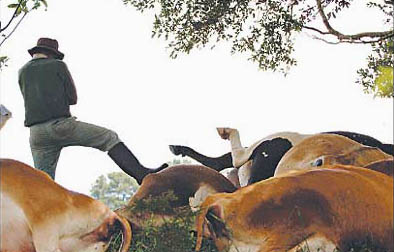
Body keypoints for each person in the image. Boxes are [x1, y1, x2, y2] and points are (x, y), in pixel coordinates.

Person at [18, 37, 168, 183]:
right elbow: (72, 98)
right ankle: (142, 174)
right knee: (109, 138)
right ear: (51, 54)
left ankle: (38, 207)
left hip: (37, 134)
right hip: (61, 126)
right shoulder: (57, 65)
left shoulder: (22, 71)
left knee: (44, 182)